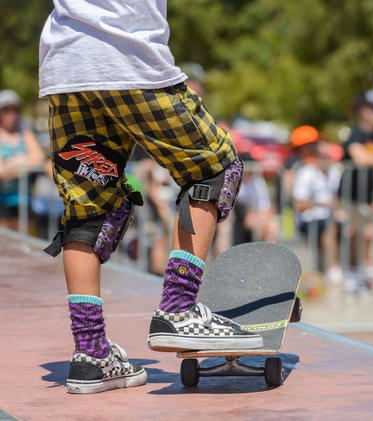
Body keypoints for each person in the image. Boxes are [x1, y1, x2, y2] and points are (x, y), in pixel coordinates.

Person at [39, 1, 262, 394]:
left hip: (67, 64)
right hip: (127, 58)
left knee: (89, 211)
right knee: (214, 168)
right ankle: (179, 307)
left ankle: (91, 355)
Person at [338, 90, 373, 292]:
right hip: (352, 193)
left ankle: (363, 267)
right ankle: (353, 271)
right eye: (372, 108)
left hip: (368, 193)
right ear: (362, 111)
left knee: (368, 233)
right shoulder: (356, 133)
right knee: (356, 232)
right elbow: (360, 158)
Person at [291, 126, 341, 274]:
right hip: (309, 218)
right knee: (329, 227)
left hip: (327, 216)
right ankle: (333, 269)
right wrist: (323, 204)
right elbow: (299, 204)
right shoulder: (305, 172)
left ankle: (351, 268)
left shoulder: (335, 172)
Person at [0, 90, 45, 230]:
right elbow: (1, 171)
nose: (11, 114)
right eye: (6, 110)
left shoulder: (25, 133)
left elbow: (39, 159)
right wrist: (26, 165)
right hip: (3, 203)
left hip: (24, 202)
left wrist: (15, 163)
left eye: (15, 109)